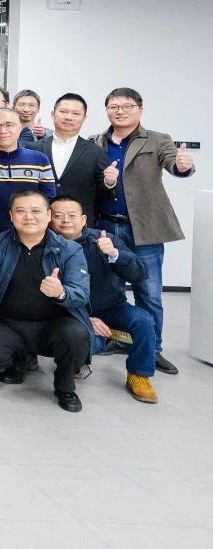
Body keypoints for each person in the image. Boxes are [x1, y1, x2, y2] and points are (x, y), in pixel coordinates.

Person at [92, 87, 194, 376]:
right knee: (111, 290)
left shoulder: (157, 140)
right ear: (107, 110)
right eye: (114, 106)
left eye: (127, 106)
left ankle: (153, 348)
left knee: (148, 292)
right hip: (105, 226)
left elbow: (174, 163)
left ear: (140, 109)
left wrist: (182, 166)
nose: (120, 111)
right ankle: (119, 338)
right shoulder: (96, 141)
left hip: (143, 228)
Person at [0, 190, 92, 412]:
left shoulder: (70, 249)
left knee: (75, 337)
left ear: (48, 215)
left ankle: (65, 387)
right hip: (9, 323)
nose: (29, 217)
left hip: (53, 326)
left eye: (36, 211)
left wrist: (61, 292)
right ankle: (21, 360)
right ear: (11, 216)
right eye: (21, 211)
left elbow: (81, 293)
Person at [49, 196, 157, 403]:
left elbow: (140, 273)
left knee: (143, 321)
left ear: (83, 219)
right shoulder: (47, 245)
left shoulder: (104, 239)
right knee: (86, 341)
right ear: (49, 219)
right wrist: (85, 318)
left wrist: (115, 254)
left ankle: (139, 375)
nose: (65, 220)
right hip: (72, 311)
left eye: (71, 215)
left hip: (112, 306)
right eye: (58, 216)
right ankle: (78, 364)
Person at [0, 107, 56, 239]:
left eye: (9, 125)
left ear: (19, 128)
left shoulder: (39, 159)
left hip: (29, 235)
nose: (3, 130)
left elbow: (49, 197)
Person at [32, 92, 113, 216]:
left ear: (84, 118)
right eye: (63, 112)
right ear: (53, 114)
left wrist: (110, 183)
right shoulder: (34, 148)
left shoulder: (96, 152)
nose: (69, 117)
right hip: (40, 219)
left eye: (76, 113)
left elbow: (105, 194)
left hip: (77, 221)